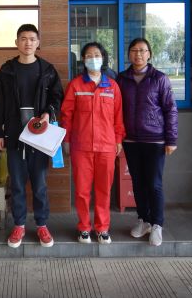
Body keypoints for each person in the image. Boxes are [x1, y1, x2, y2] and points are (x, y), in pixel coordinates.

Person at [0, 24, 63, 248]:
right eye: (23, 38)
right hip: (15, 136)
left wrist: (48, 112)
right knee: (18, 184)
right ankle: (19, 225)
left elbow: (57, 97)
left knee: (40, 184)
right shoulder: (7, 71)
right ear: (16, 42)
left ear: (38, 42)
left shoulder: (48, 70)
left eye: (32, 39)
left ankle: (42, 225)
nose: (28, 43)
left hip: (40, 138)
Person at [116, 38, 178, 247]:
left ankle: (157, 224)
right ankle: (144, 220)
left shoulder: (159, 78)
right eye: (134, 50)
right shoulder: (122, 79)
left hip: (155, 140)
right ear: (129, 54)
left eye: (142, 50)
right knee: (138, 183)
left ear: (149, 54)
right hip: (131, 140)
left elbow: (170, 110)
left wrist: (171, 139)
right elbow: (116, 109)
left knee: (154, 183)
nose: (138, 54)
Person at [61, 42, 125, 244]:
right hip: (81, 147)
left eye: (96, 55)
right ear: (83, 59)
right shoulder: (75, 85)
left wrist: (118, 140)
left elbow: (118, 117)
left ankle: (102, 228)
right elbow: (66, 116)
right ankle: (84, 228)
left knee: (104, 190)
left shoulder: (112, 86)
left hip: (106, 146)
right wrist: (66, 140)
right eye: (88, 55)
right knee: (82, 191)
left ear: (103, 58)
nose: (93, 58)